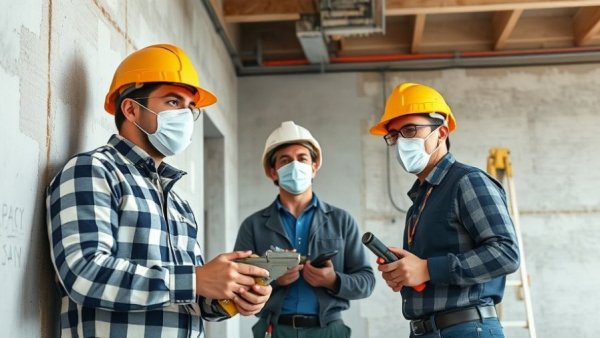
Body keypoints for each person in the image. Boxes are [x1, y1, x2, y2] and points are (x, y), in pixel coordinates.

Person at [46, 44, 272, 337]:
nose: (186, 117)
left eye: (192, 108)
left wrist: (232, 296)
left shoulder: (178, 203)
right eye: (174, 102)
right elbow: (83, 273)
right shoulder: (93, 170)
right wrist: (195, 279)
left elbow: (192, 298)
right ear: (131, 109)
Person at [369, 82, 520, 338]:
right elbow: (428, 270)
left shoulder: (467, 181)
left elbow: (506, 253)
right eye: (394, 135)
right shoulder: (422, 198)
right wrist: (406, 274)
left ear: (441, 132)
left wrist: (427, 269)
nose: (400, 142)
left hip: (467, 329)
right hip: (429, 330)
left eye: (409, 129)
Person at [234, 121, 375, 338]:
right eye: (285, 160)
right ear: (273, 172)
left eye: (302, 158)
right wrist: (273, 278)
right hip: (274, 330)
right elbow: (236, 285)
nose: (295, 165)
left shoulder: (341, 221)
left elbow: (366, 282)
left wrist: (333, 280)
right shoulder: (252, 226)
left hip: (329, 331)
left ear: (314, 167)